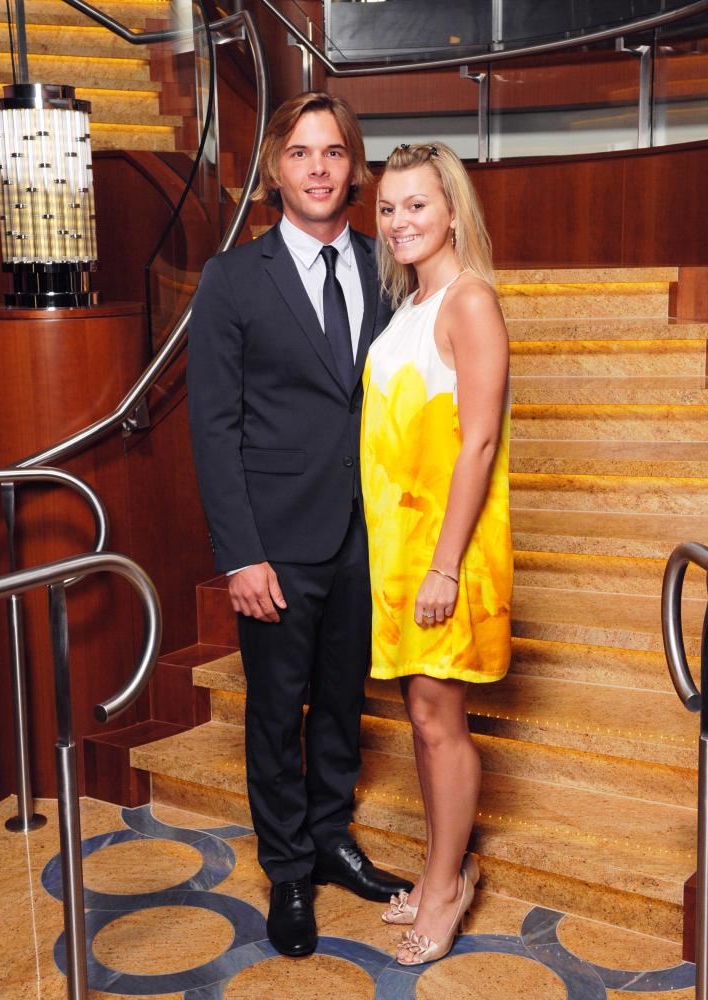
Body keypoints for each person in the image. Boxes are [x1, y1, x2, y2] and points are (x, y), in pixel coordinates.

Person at [187, 91, 412, 959]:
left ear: (354, 169)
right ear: (276, 171)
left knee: (345, 701)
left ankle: (330, 838)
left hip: (367, 531)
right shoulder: (233, 278)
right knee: (278, 709)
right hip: (276, 539)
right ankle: (286, 869)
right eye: (300, 153)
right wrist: (240, 555)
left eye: (334, 152)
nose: (318, 169)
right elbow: (214, 426)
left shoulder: (388, 266)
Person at [361, 141, 512, 966]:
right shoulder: (412, 303)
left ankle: (448, 887)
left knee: (438, 721)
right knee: (420, 720)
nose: (399, 221)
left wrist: (446, 566)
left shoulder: (469, 300)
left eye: (417, 205)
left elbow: (479, 442)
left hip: (445, 550)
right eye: (388, 207)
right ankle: (438, 871)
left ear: (453, 211)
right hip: (400, 549)